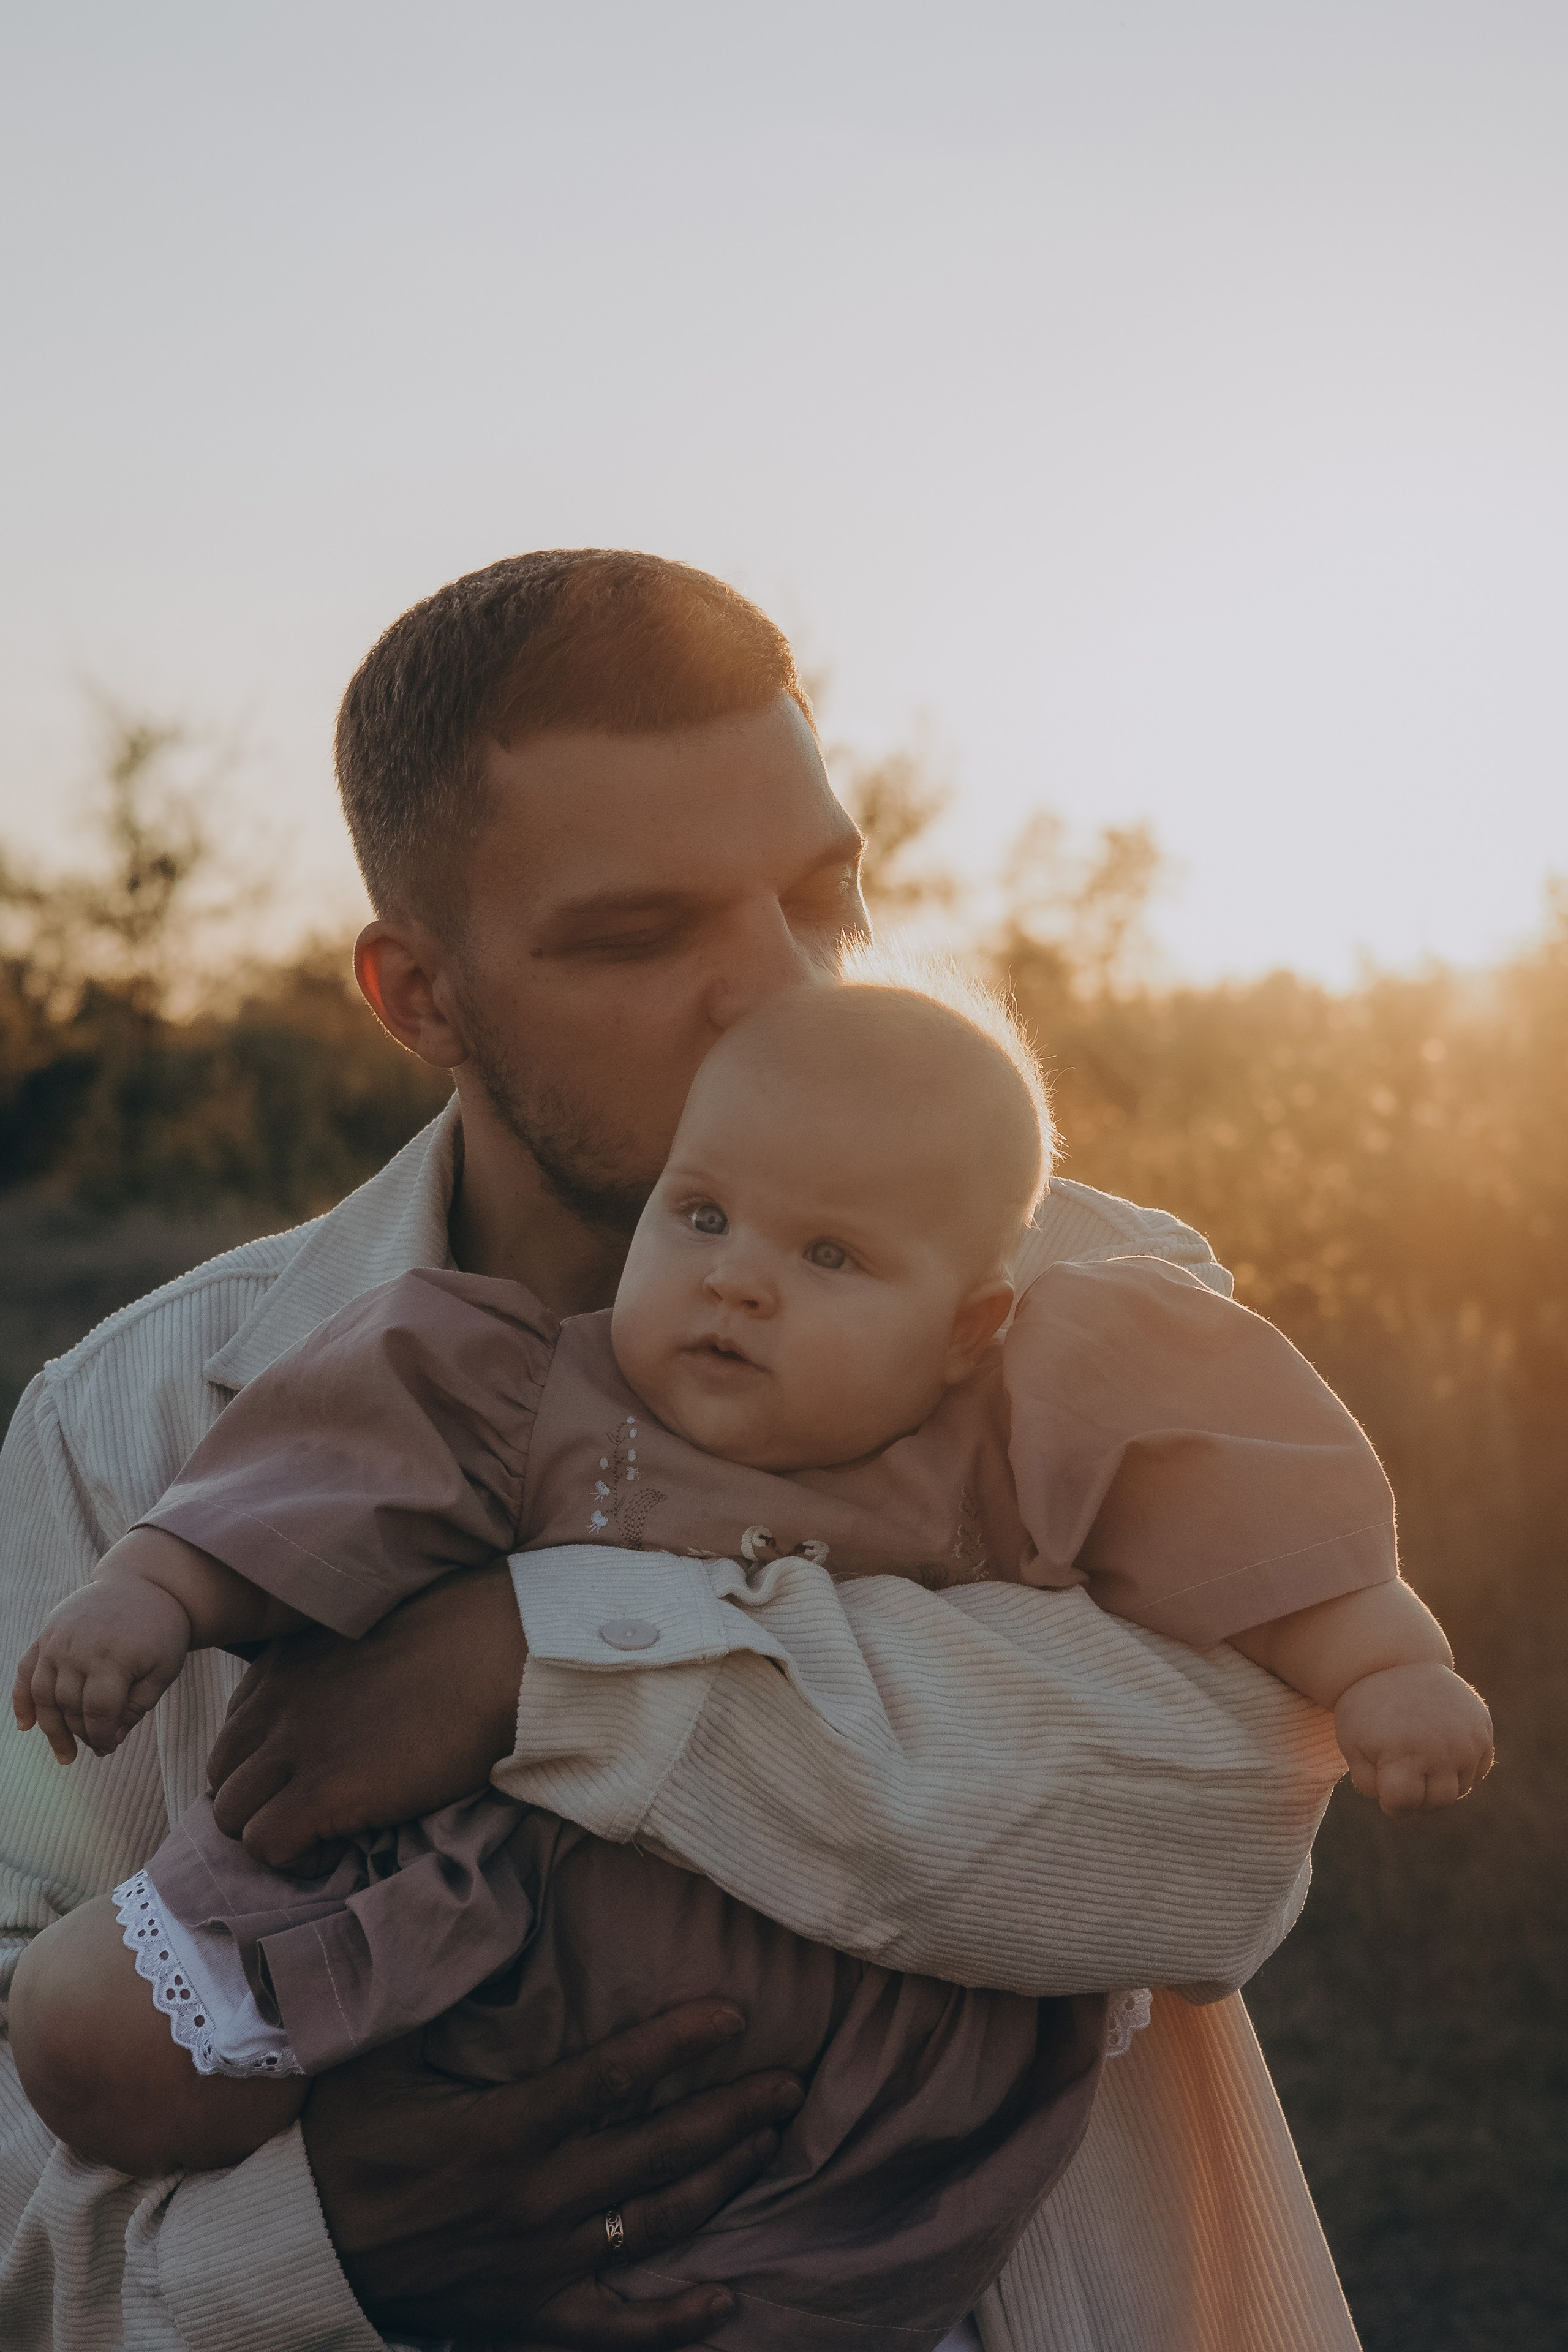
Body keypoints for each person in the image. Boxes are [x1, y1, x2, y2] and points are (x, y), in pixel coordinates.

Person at [0, 549, 1423, 2351]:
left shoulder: (1084, 1304)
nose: (781, 986)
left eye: (824, 896)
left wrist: (547, 1665)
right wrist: (319, 2245)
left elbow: (1216, 1840)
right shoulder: (129, 1428)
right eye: (639, 934)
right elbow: (26, 2052)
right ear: (418, 996)